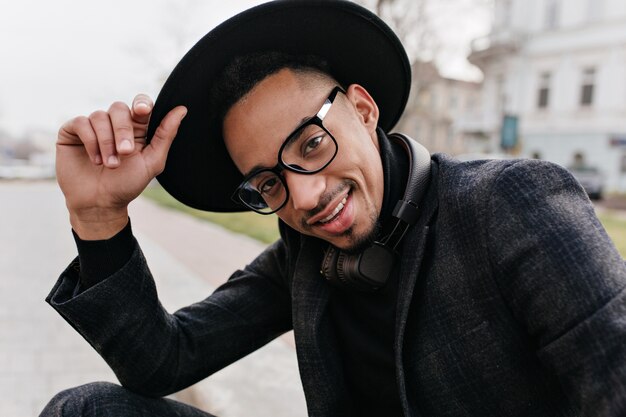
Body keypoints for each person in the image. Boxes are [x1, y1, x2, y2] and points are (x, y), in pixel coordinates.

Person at [41, 1, 626, 416]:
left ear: (364, 110)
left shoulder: (514, 205)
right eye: (267, 183)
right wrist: (100, 219)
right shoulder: (305, 255)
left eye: (312, 144)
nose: (304, 198)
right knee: (87, 410)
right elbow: (160, 362)